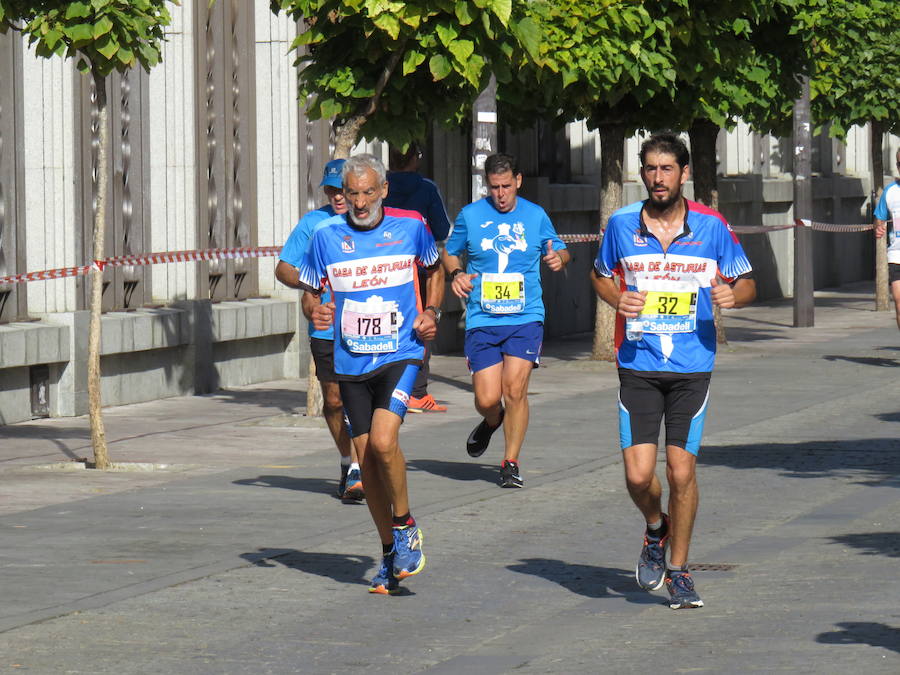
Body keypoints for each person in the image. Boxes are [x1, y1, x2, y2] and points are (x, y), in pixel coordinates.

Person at [591, 133, 756, 609]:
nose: (658, 178)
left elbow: (746, 282)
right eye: (650, 169)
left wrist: (734, 296)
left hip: (692, 366)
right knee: (639, 477)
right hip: (638, 365)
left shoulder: (711, 226)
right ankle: (655, 528)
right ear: (641, 174)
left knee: (681, 471)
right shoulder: (622, 224)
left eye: (667, 169)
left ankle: (680, 571)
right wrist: (614, 298)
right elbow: (600, 273)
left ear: (684, 174)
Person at [296, 153, 442, 594]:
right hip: (350, 361)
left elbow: (434, 267)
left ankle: (405, 524)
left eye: (367, 193)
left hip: (400, 352)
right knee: (368, 465)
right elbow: (309, 290)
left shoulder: (412, 226)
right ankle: (388, 554)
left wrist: (432, 310)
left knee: (383, 442)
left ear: (383, 191)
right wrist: (315, 308)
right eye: (352, 193)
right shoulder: (325, 236)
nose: (359, 202)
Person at [444, 153, 570, 488]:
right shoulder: (471, 216)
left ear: (518, 181)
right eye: (494, 187)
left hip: (525, 316)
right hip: (483, 318)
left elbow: (558, 247)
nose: (500, 194)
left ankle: (510, 461)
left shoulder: (535, 215)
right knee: (487, 399)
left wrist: (559, 257)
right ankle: (492, 419)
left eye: (506, 186)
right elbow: (450, 251)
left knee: (515, 389)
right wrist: (456, 273)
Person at [275, 159, 363, 502]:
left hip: (364, 327)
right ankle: (347, 459)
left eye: (342, 190)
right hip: (326, 327)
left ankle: (359, 468)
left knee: (357, 399)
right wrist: (311, 283)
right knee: (334, 400)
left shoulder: (369, 221)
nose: (338, 197)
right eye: (331, 190)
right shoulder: (314, 223)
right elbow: (283, 269)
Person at [384, 143, 452, 412]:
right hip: (418, 271)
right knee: (421, 328)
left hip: (383, 270)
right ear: (415, 158)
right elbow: (442, 228)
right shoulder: (426, 188)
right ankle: (417, 392)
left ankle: (387, 387)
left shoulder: (379, 187)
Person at [873, 148, 900, 330]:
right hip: (897, 254)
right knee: (899, 302)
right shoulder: (890, 191)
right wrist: (879, 227)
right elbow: (879, 218)